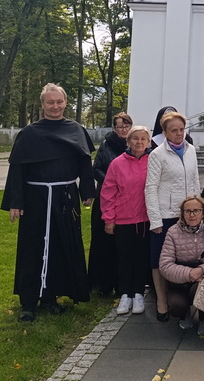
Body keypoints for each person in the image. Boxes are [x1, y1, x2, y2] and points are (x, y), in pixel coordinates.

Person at [1, 83, 95, 322]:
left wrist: (87, 191)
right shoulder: (30, 133)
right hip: (36, 198)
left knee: (61, 246)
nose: (55, 106)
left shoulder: (76, 130)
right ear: (42, 104)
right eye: (50, 102)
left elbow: (85, 163)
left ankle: (51, 296)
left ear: (66, 103)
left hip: (65, 198)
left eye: (59, 102)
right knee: (32, 247)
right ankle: (28, 301)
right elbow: (17, 169)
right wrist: (15, 201)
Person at [145, 111, 201, 321]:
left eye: (181, 129)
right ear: (165, 132)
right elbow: (150, 188)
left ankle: (182, 296)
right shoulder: (157, 154)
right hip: (165, 215)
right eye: (174, 130)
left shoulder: (191, 150)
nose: (179, 134)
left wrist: (198, 210)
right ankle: (161, 300)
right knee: (159, 259)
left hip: (187, 214)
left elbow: (195, 180)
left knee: (185, 256)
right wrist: (155, 220)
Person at [101, 125, 152, 316]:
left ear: (148, 142)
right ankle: (125, 293)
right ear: (128, 141)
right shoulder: (117, 163)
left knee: (141, 256)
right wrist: (109, 218)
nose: (139, 142)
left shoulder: (153, 161)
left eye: (143, 139)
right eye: (135, 138)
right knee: (124, 257)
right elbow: (108, 192)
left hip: (145, 218)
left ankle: (138, 292)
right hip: (123, 218)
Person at [159, 195, 204, 338]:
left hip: (203, 278)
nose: (192, 215)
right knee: (176, 304)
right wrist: (189, 273)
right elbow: (165, 264)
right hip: (180, 281)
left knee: (202, 291)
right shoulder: (173, 232)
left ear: (203, 212)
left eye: (196, 211)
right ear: (182, 213)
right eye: (187, 211)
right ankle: (184, 314)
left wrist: (202, 269)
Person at [88, 111, 132, 296]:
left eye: (126, 126)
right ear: (114, 128)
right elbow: (96, 168)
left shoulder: (134, 145)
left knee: (122, 243)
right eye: (119, 126)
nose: (123, 130)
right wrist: (111, 181)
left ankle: (121, 282)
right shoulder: (106, 145)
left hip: (126, 200)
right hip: (106, 198)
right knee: (103, 241)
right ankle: (102, 282)